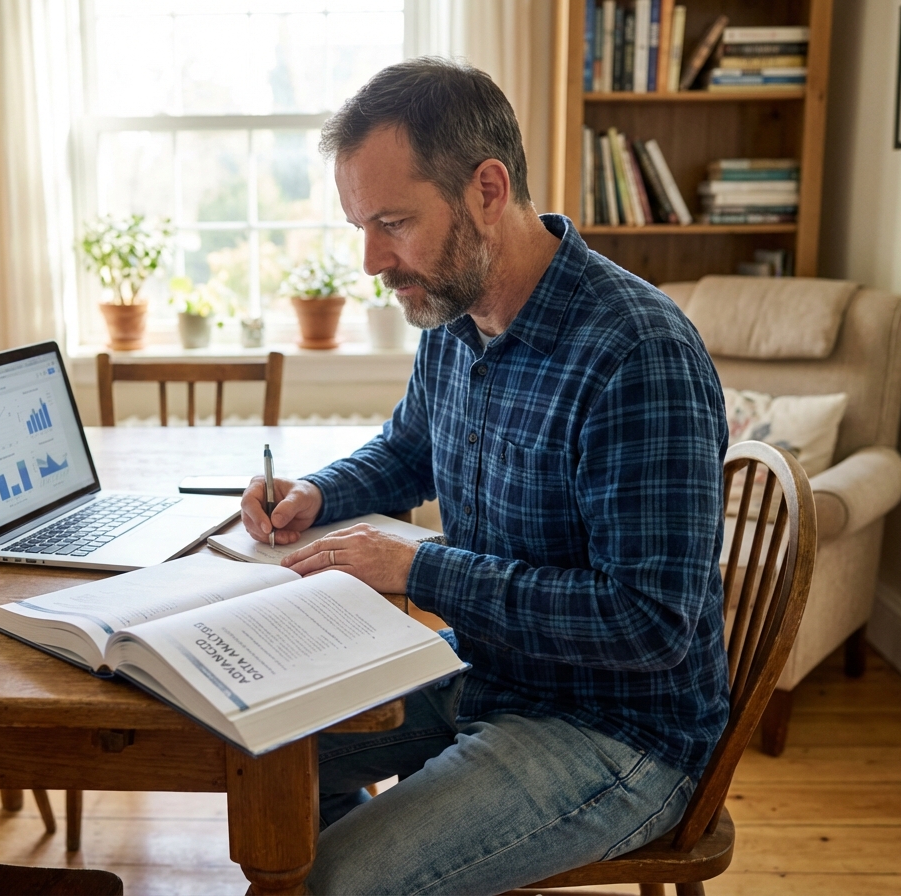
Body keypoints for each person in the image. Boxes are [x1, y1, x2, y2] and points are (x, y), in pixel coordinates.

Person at [240, 58, 729, 895]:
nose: (371, 261)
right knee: (255, 759)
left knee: (333, 884)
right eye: (361, 226)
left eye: (393, 222)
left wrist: (419, 569)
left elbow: (648, 624)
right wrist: (318, 492)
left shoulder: (638, 354)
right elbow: (408, 450)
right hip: (487, 671)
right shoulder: (453, 312)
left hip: (618, 731)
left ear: (488, 191)